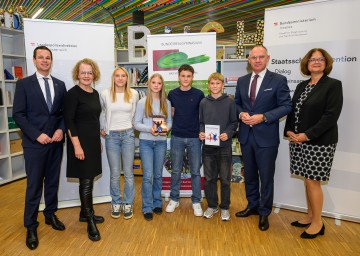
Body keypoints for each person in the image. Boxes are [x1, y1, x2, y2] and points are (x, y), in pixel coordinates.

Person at [284, 48, 343, 239]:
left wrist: (307, 135)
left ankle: (318, 222)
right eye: (312, 60)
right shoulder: (302, 85)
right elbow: (293, 111)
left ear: (326, 63)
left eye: (320, 59)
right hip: (298, 141)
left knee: (313, 181)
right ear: (306, 64)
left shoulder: (333, 85)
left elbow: (330, 116)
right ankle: (310, 216)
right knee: (307, 180)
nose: (316, 62)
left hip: (319, 142)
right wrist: (290, 131)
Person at [13, 46, 67, 250]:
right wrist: (37, 134)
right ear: (34, 60)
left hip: (55, 143)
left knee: (52, 182)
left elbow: (63, 114)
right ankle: (31, 226)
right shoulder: (24, 84)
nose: (45, 61)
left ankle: (50, 214)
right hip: (35, 144)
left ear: (51, 61)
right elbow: (18, 114)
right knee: (34, 185)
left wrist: (61, 130)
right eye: (41, 57)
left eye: (48, 58)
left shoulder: (60, 85)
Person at [234, 45, 292, 231]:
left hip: (266, 138)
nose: (257, 60)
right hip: (245, 136)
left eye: (261, 57)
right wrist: (241, 113)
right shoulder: (242, 81)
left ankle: (264, 212)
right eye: (253, 57)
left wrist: (264, 116)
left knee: (266, 177)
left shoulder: (278, 80)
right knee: (249, 175)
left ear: (267, 58)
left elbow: (286, 106)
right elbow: (236, 104)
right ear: (249, 60)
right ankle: (252, 206)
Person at [64, 58, 104, 242]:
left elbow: (94, 119)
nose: (86, 75)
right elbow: (69, 121)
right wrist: (77, 146)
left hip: (92, 142)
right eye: (83, 72)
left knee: (89, 180)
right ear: (77, 75)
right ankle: (90, 221)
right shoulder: (73, 94)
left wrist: (97, 140)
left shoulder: (95, 94)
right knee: (86, 183)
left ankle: (84, 213)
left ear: (94, 74)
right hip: (79, 143)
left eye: (89, 72)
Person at [165, 64, 205, 217]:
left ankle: (196, 201)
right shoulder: (172, 94)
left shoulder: (199, 94)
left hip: (195, 137)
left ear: (192, 77)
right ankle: (174, 199)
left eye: (188, 76)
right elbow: (170, 114)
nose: (186, 78)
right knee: (176, 170)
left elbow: (203, 116)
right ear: (178, 76)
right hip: (177, 137)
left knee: (195, 171)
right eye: (183, 76)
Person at [100, 67, 139, 220]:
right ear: (113, 77)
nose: (120, 78)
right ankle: (116, 202)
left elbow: (135, 114)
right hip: (112, 137)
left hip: (128, 135)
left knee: (128, 173)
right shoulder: (105, 94)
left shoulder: (134, 94)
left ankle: (128, 203)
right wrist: (102, 127)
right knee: (115, 173)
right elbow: (102, 112)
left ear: (127, 78)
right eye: (117, 75)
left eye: (123, 76)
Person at [199, 72, 238, 221]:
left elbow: (234, 122)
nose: (215, 86)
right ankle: (212, 205)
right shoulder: (203, 102)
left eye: (218, 83)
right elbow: (201, 122)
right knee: (209, 178)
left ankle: (225, 207)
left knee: (226, 179)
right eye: (212, 83)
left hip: (224, 146)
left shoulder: (230, 101)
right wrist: (201, 132)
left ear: (223, 85)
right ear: (208, 86)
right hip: (208, 146)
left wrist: (228, 133)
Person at [134, 73, 172, 221]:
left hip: (161, 142)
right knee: (148, 176)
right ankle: (147, 207)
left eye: (159, 83)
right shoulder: (142, 102)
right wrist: (148, 129)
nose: (156, 85)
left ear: (162, 86)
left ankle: (157, 203)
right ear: (149, 84)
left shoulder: (166, 103)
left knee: (157, 175)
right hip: (146, 143)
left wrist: (165, 129)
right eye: (154, 82)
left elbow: (169, 122)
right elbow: (136, 123)